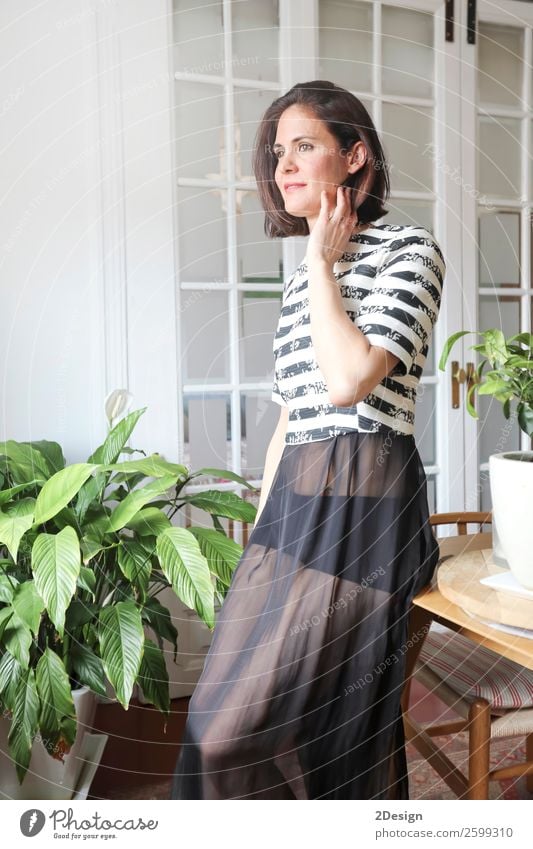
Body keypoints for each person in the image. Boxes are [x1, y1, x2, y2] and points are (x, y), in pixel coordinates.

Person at [170, 80, 446, 800]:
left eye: (304, 146)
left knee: (312, 729)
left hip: (365, 512)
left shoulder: (409, 250)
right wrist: (260, 543)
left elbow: (351, 378)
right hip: (294, 506)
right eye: (276, 151)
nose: (282, 165)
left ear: (354, 157)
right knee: (221, 722)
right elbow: (293, 416)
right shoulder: (302, 280)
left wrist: (322, 265)